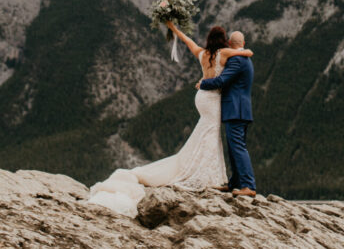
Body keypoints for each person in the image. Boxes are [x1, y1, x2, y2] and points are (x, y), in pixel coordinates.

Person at [86, 23, 252, 216]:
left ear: (209, 40)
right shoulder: (225, 53)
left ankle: (215, 176)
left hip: (201, 98)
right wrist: (246, 49)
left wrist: (172, 26)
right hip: (213, 98)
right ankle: (211, 176)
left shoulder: (202, 53)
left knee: (205, 132)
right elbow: (244, 54)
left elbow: (186, 40)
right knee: (211, 134)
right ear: (224, 41)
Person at [198, 30, 256, 196]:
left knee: (237, 147)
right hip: (241, 109)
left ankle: (249, 186)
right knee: (234, 147)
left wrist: (203, 83)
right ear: (243, 44)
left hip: (235, 110)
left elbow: (222, 80)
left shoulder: (237, 60)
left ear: (230, 44)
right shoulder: (245, 59)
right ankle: (235, 183)